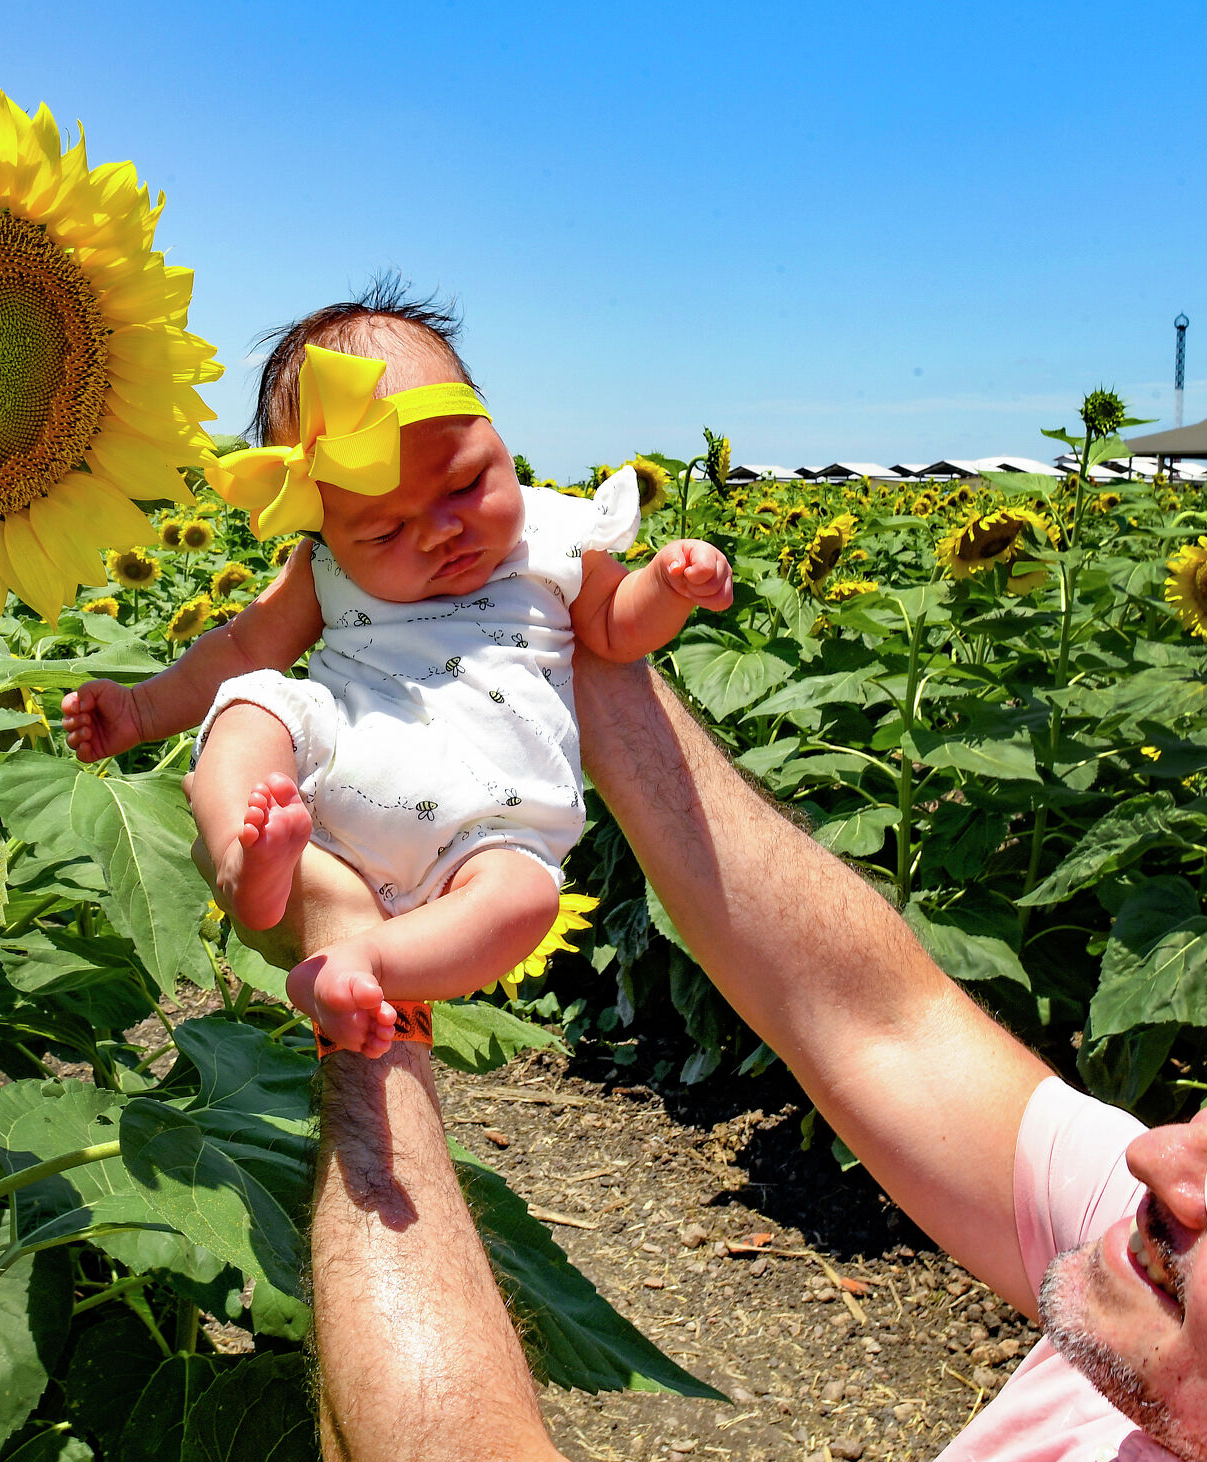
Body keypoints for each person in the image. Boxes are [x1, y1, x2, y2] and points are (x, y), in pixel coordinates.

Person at [253, 652, 1207, 1462]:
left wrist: (361, 990)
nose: (1155, 1159)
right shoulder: (1192, 1323)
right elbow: (874, 1020)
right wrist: (574, 637)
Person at [64, 286, 732, 1053]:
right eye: (385, 531)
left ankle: (364, 962)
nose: (444, 530)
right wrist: (143, 712)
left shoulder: (555, 533)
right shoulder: (322, 566)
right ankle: (246, 860)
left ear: (496, 434)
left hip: (490, 823)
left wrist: (668, 585)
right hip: (335, 773)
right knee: (253, 709)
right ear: (330, 526)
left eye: (465, 484)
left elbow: (616, 628)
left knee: (525, 901)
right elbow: (242, 648)